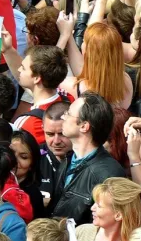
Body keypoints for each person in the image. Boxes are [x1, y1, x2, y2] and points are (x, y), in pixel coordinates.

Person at [50, 92, 127, 224]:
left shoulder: (108, 174)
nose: (63, 117)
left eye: (68, 113)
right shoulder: (68, 160)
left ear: (84, 126)